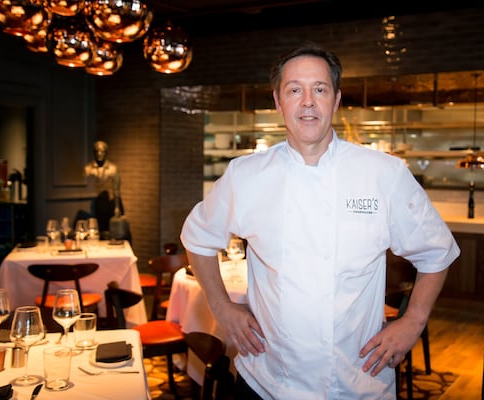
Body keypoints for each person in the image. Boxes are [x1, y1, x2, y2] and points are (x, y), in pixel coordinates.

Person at [180, 43, 460, 399]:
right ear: (279, 102)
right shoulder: (245, 175)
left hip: (357, 382)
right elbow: (198, 238)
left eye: (320, 89)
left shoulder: (383, 173)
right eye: (295, 90)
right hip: (267, 381)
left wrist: (413, 321)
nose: (308, 101)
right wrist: (220, 305)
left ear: (337, 100)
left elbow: (437, 252)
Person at [83, 140, 124, 238]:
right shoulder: (88, 169)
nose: (99, 154)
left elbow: (116, 189)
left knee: (109, 232)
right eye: (97, 151)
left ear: (106, 153)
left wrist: (117, 206)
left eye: (102, 151)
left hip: (108, 204)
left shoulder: (113, 168)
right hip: (93, 204)